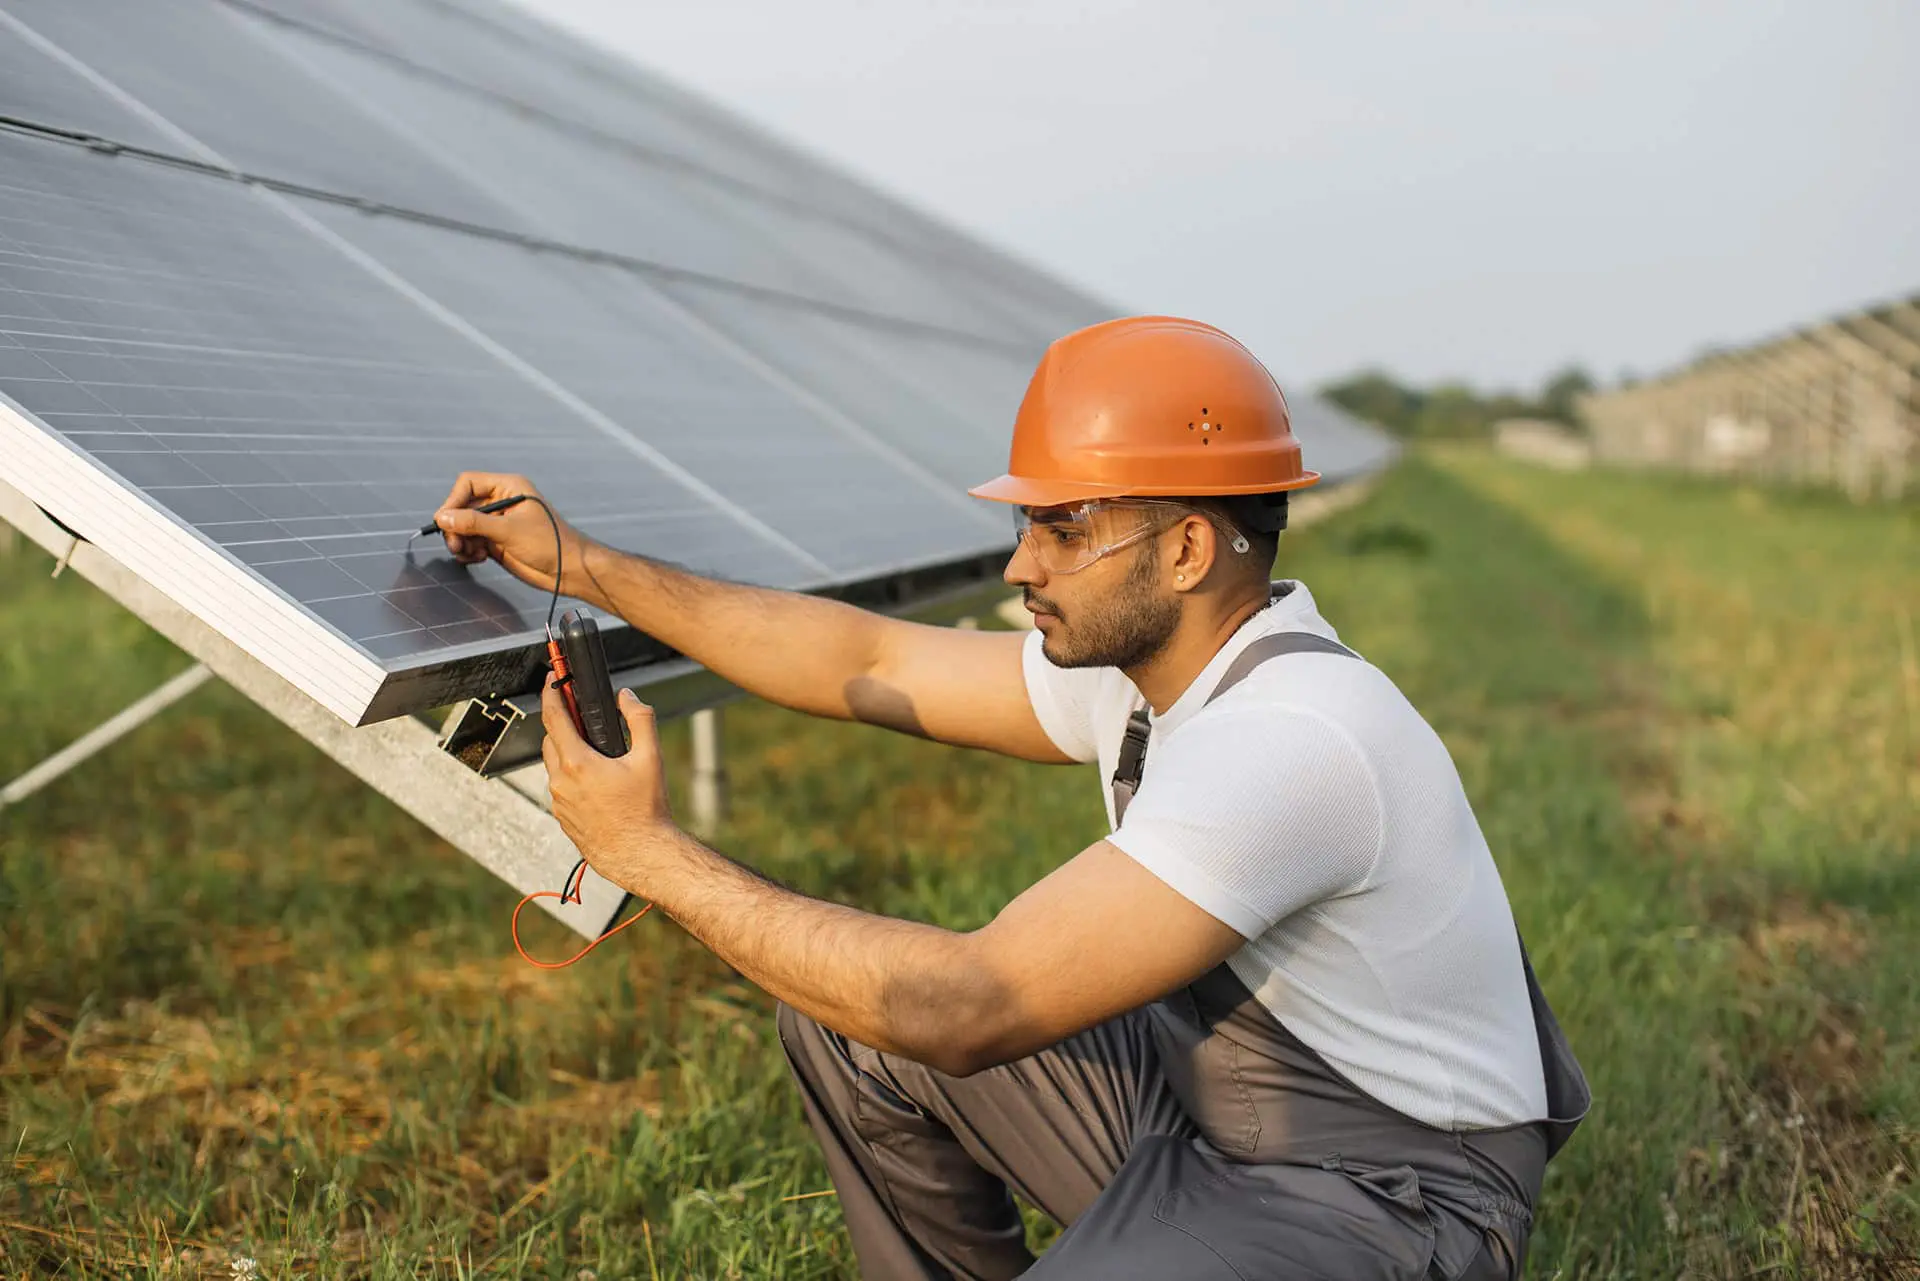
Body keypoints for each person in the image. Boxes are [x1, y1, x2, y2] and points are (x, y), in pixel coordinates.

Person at [430, 316, 1589, 1280]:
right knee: (847, 1016)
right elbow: (874, 664)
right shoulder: (1163, 676)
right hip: (1216, 1118)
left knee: (915, 1008)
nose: (1020, 564)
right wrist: (581, 565)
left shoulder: (1289, 743)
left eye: (1064, 525)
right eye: (1025, 520)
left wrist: (652, 854)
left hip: (1393, 1201)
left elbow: (969, 1008)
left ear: (1187, 550)